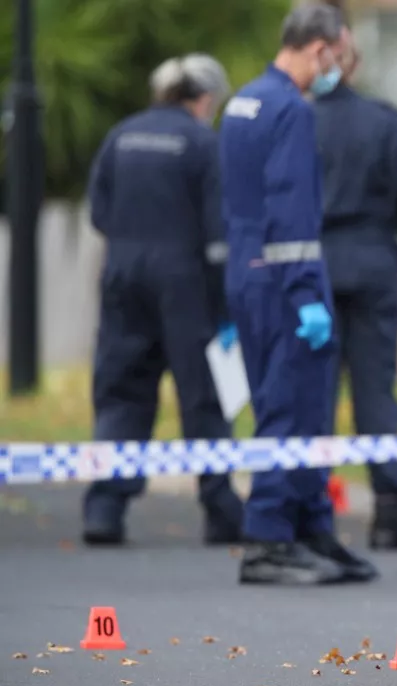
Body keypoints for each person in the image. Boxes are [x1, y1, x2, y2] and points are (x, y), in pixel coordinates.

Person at [218, 3, 377, 585]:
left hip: (249, 279)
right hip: (287, 287)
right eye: (339, 56)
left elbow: (233, 206)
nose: (338, 69)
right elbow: (291, 212)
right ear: (319, 49)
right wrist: (309, 294)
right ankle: (268, 539)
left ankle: (311, 526)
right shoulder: (290, 110)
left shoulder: (242, 102)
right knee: (293, 411)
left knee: (282, 406)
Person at [82, 53, 244, 547]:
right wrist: (225, 309)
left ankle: (105, 510)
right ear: (205, 98)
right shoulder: (202, 143)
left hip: (124, 276)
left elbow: (98, 212)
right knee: (204, 398)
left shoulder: (121, 135)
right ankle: (221, 511)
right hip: (185, 283)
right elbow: (219, 234)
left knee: (121, 392)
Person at [314, 41, 397, 550]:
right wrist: (388, 224)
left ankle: (310, 511)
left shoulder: (296, 120)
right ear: (353, 64)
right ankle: (388, 514)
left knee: (313, 394)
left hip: (312, 265)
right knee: (374, 391)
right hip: (371, 260)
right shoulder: (383, 121)